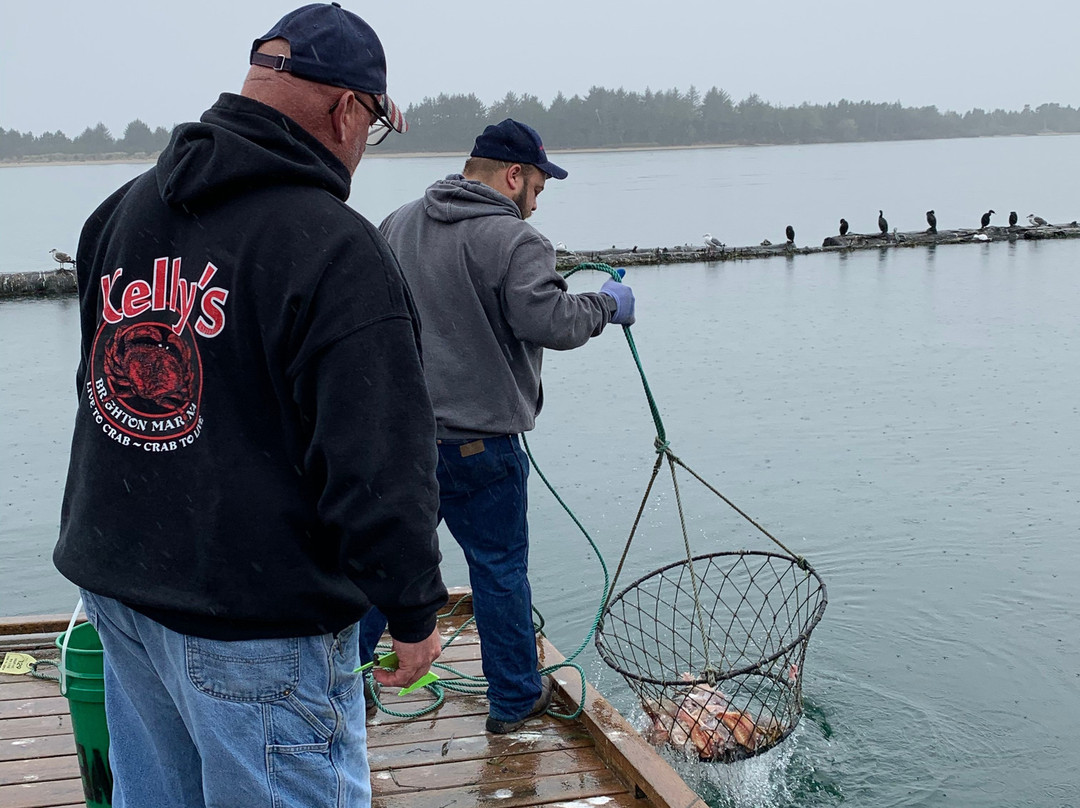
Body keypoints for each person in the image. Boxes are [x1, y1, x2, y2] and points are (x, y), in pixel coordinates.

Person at [52, 4, 446, 806]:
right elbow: (377, 466)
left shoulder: (122, 212)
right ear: (345, 110)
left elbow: (99, 386)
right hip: (257, 627)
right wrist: (412, 608)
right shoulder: (336, 248)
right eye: (372, 123)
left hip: (120, 589)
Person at [359, 119, 636, 735]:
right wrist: (605, 306)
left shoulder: (398, 223)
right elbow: (553, 322)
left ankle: (341, 689)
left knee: (386, 565)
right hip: (482, 449)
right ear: (513, 176)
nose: (537, 200)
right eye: (537, 185)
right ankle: (513, 699)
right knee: (499, 569)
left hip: (401, 446)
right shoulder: (516, 239)